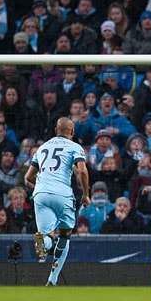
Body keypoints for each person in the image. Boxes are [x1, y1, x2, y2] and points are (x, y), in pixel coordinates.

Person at [25, 117, 90, 286]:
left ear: (55, 130)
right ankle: (52, 280)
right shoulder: (75, 147)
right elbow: (82, 171)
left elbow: (28, 176)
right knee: (65, 234)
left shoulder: (42, 147)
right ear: (72, 132)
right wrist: (86, 194)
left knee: (48, 236)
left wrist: (43, 183)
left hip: (41, 193)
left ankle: (44, 241)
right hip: (62, 193)